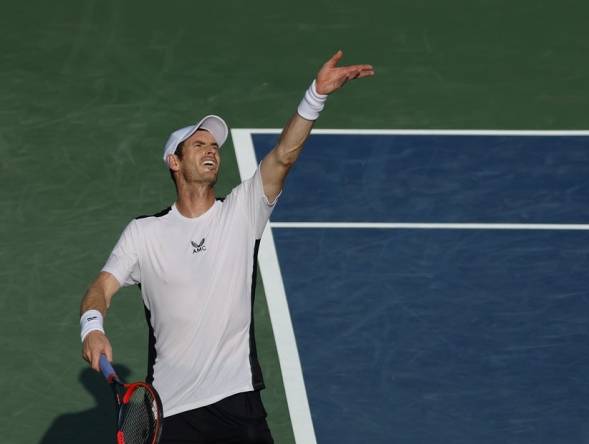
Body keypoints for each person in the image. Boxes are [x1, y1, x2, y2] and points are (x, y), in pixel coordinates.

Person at [79, 51, 374, 443]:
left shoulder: (241, 212)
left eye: (214, 145)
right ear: (174, 160)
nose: (211, 150)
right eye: (198, 144)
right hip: (172, 410)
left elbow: (284, 156)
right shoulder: (143, 233)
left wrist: (315, 96)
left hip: (238, 404)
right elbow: (100, 288)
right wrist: (92, 328)